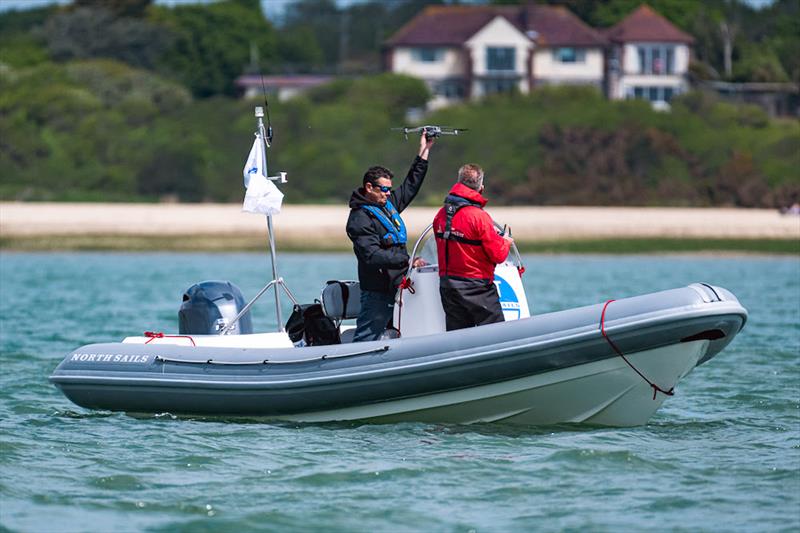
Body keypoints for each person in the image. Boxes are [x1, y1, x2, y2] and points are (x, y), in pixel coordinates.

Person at [346, 133, 435, 342]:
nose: (388, 193)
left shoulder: (387, 205)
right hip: (377, 290)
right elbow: (372, 255)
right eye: (383, 189)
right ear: (369, 187)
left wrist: (424, 152)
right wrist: (408, 261)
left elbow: (410, 186)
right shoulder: (359, 218)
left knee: (393, 334)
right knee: (367, 338)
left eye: (389, 189)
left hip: (397, 284)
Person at [433, 164, 513, 331]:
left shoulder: (440, 215)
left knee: (458, 336)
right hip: (477, 287)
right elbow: (498, 255)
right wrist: (505, 241)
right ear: (481, 187)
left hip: (448, 287)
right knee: (496, 335)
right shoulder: (479, 217)